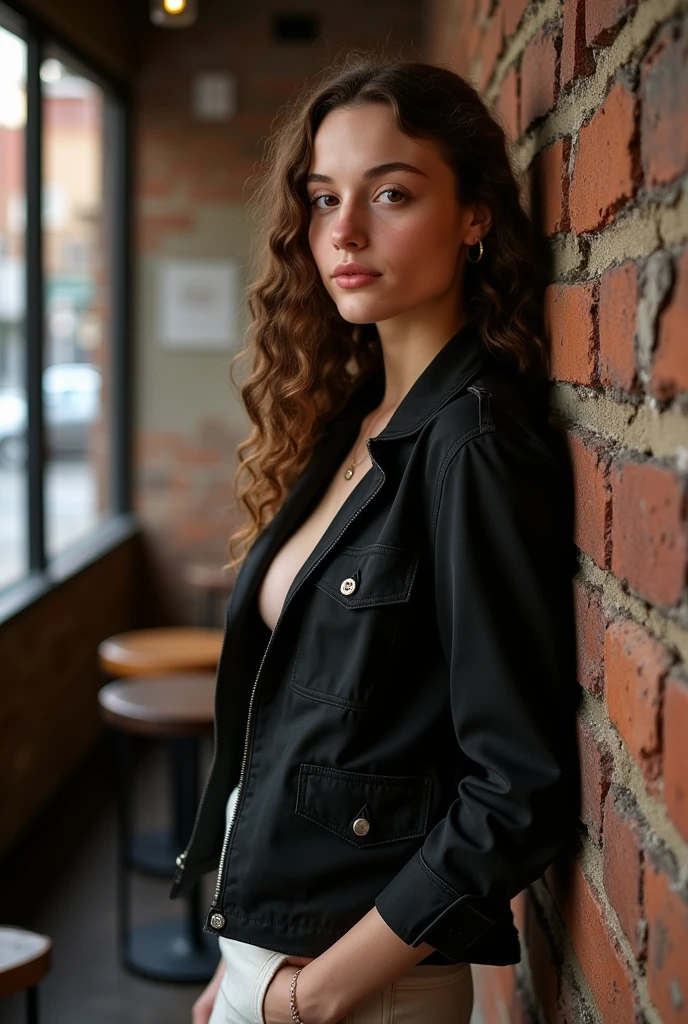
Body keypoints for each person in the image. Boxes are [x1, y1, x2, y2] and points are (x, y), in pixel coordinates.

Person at [172, 54, 581, 1024]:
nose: (343, 232)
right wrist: (235, 964)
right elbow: (305, 731)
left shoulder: (474, 444)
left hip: (360, 987)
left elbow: (517, 788)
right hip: (263, 955)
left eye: (390, 193)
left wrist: (311, 996)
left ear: (475, 213)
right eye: (321, 199)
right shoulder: (350, 417)